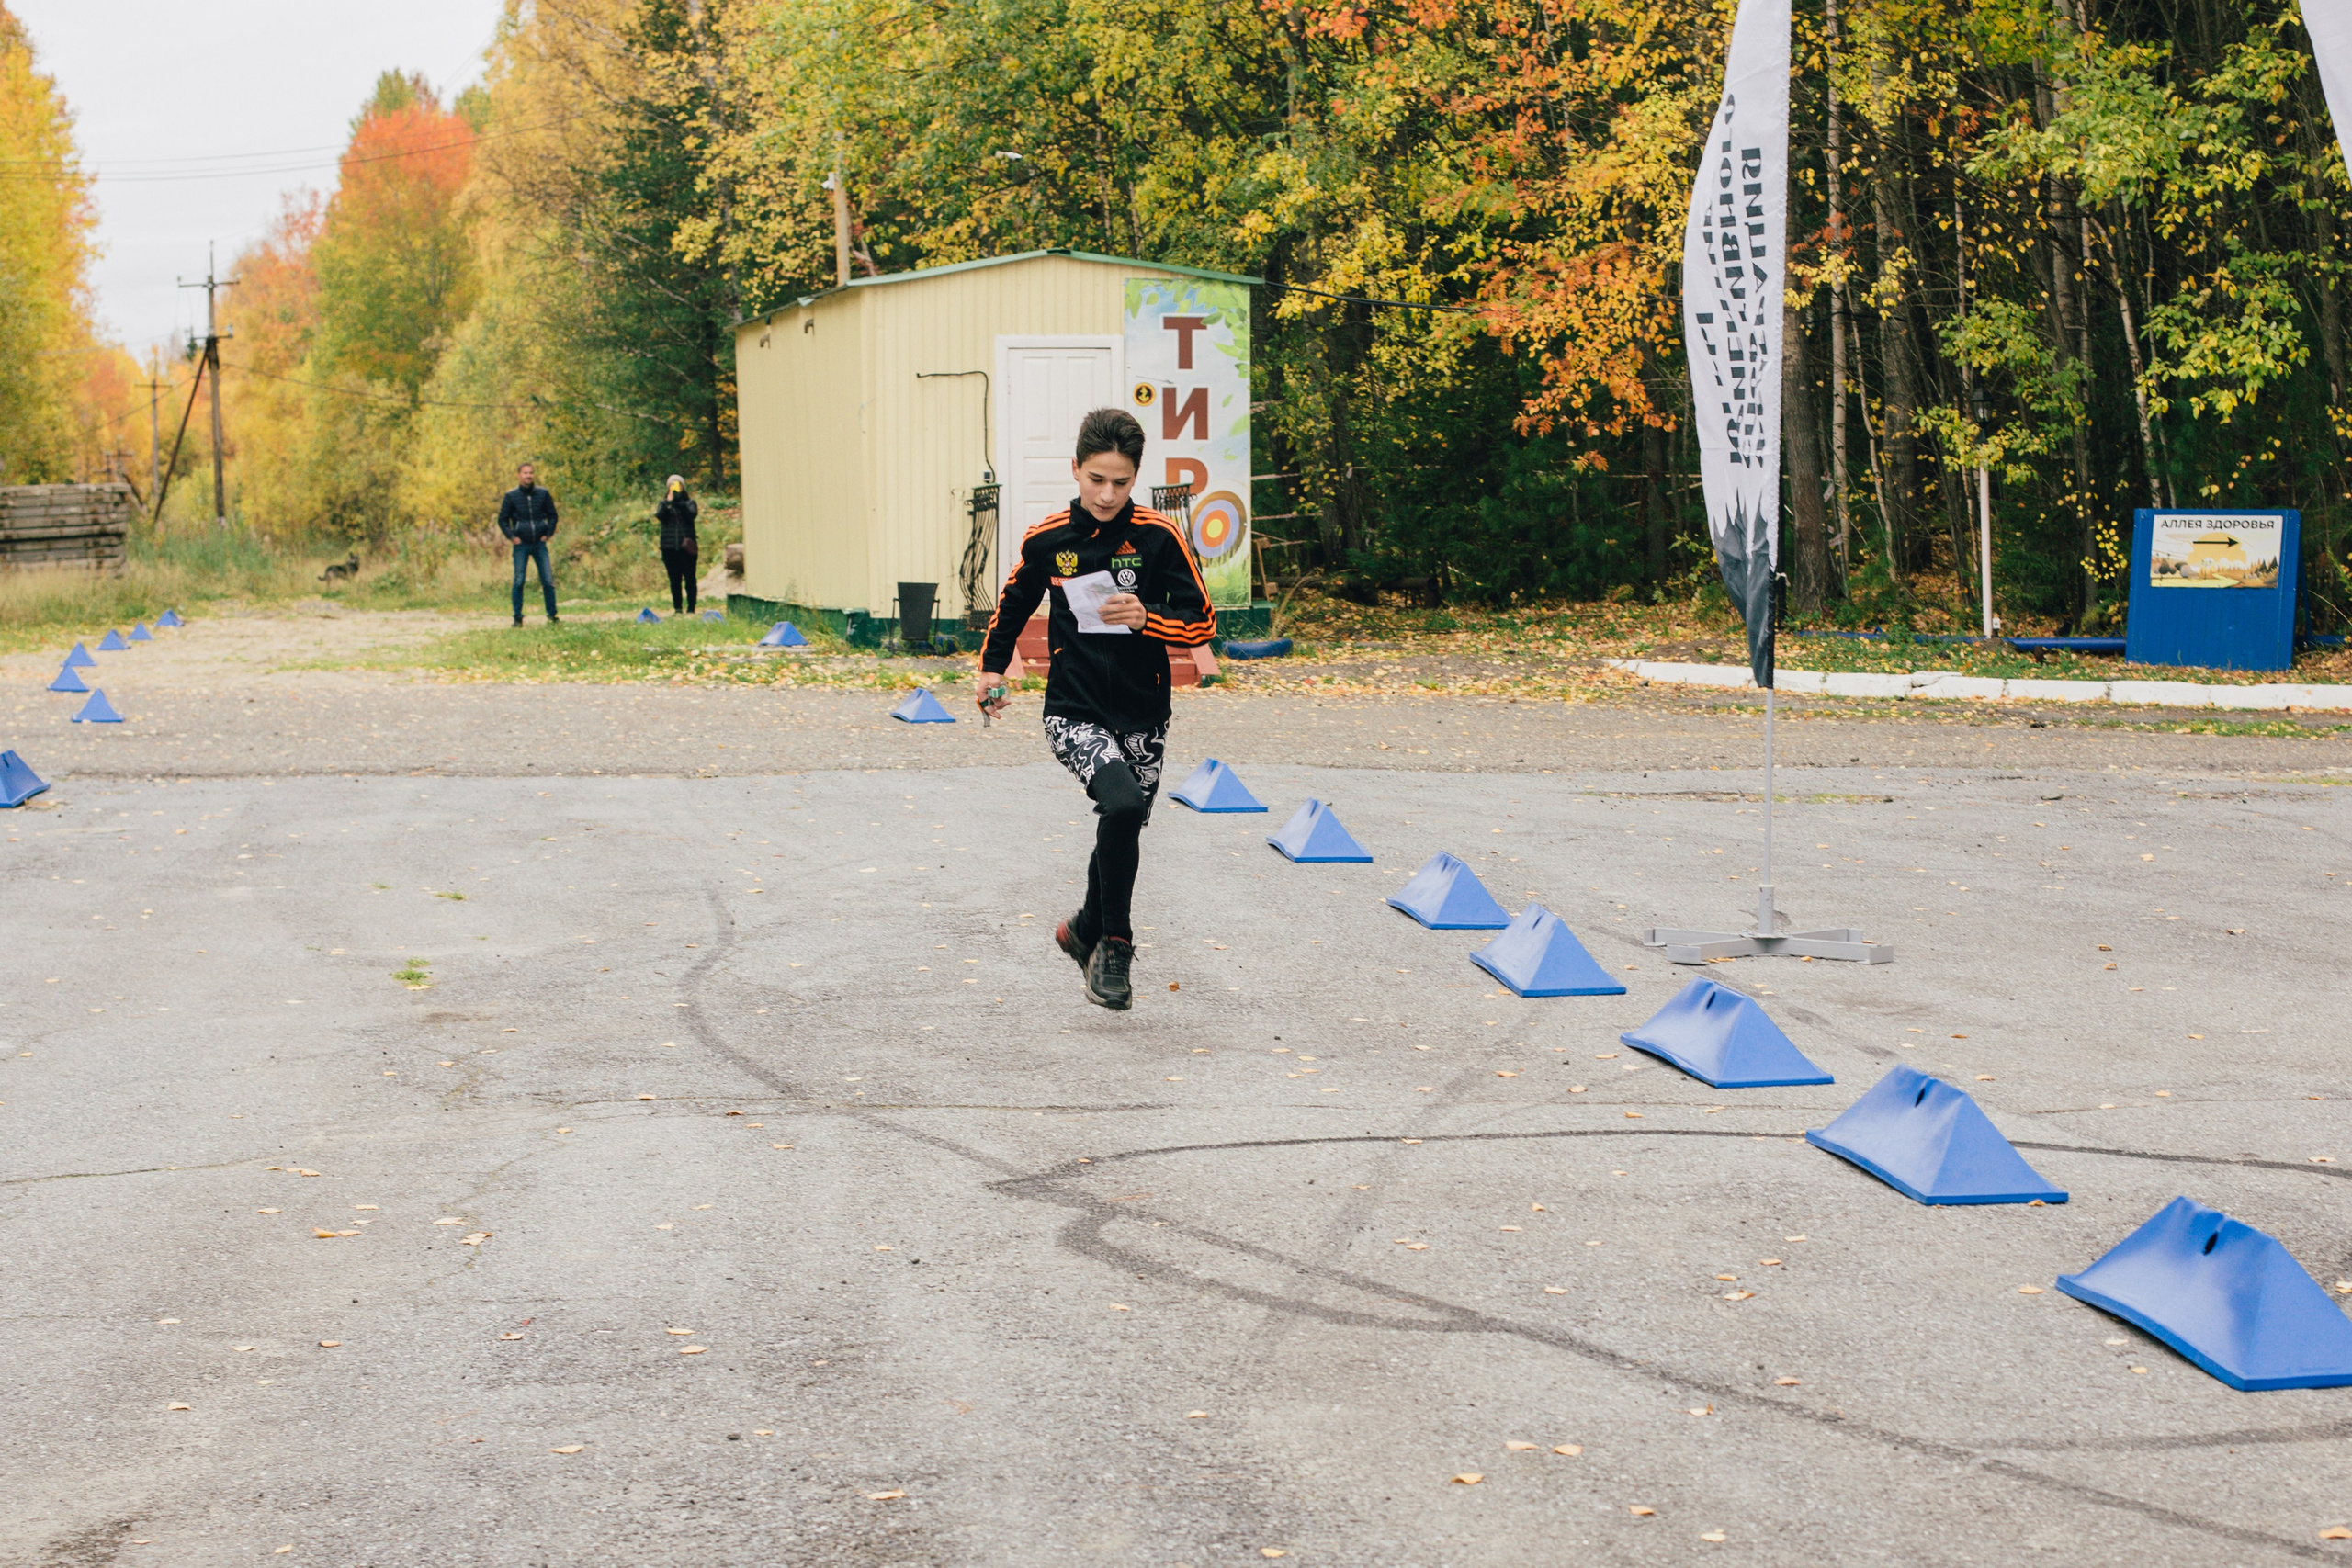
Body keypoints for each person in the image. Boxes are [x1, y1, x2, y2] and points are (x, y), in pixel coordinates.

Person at [978, 408, 1215, 1010]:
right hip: (1073, 708)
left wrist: (1147, 618)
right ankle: (1114, 945)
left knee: (1124, 819)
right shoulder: (1049, 537)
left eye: (1121, 482)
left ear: (1136, 477)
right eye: (1096, 479)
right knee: (1123, 803)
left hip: (1143, 710)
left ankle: (1084, 926)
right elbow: (1012, 605)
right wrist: (991, 671)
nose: (1107, 494)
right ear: (1076, 470)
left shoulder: (1159, 536)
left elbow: (1202, 621)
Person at [498, 461, 560, 626]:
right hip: (521, 545)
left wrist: (548, 534)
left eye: (531, 473)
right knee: (519, 581)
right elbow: (502, 519)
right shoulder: (511, 496)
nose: (528, 476)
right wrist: (512, 537)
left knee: (548, 580)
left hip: (539, 544)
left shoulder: (543, 494)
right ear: (519, 475)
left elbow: (553, 515)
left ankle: (552, 616)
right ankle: (517, 618)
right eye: (525, 473)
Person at [657, 474, 700, 614]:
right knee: (674, 580)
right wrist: (669, 503)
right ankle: (677, 608)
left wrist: (679, 502)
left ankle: (691, 608)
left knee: (690, 578)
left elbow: (691, 515)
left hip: (686, 548)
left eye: (678, 485)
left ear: (683, 487)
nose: (675, 488)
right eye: (672, 485)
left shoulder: (689, 503)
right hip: (669, 548)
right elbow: (660, 516)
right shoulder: (664, 503)